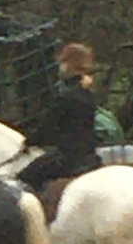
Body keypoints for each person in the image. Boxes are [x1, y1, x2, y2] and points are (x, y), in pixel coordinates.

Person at [17, 41, 102, 194]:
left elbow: (48, 128)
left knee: (25, 177)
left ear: (69, 64)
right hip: (89, 155)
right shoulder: (88, 94)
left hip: (67, 158)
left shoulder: (64, 96)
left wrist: (29, 141)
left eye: (63, 62)